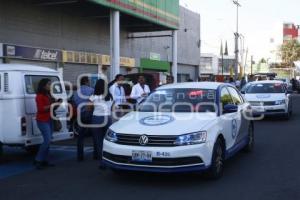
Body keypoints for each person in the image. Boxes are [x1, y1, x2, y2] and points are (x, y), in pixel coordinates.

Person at [34, 78, 62, 169]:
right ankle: (38, 160)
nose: (50, 86)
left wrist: (57, 103)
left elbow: (52, 108)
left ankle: (43, 160)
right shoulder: (39, 96)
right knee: (47, 140)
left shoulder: (48, 95)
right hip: (42, 120)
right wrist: (53, 105)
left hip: (49, 119)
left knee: (48, 140)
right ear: (43, 86)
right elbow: (41, 109)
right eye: (49, 84)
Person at [89, 79, 113, 169]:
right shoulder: (110, 96)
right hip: (108, 118)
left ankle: (102, 162)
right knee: (107, 141)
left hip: (97, 118)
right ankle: (109, 160)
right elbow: (112, 108)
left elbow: (88, 107)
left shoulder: (93, 96)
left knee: (98, 141)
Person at [73, 76, 94, 161]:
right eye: (88, 81)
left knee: (80, 136)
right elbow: (94, 102)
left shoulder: (76, 92)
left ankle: (80, 156)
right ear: (86, 81)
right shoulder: (91, 90)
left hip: (80, 114)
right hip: (90, 114)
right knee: (95, 135)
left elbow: (74, 103)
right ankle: (96, 154)